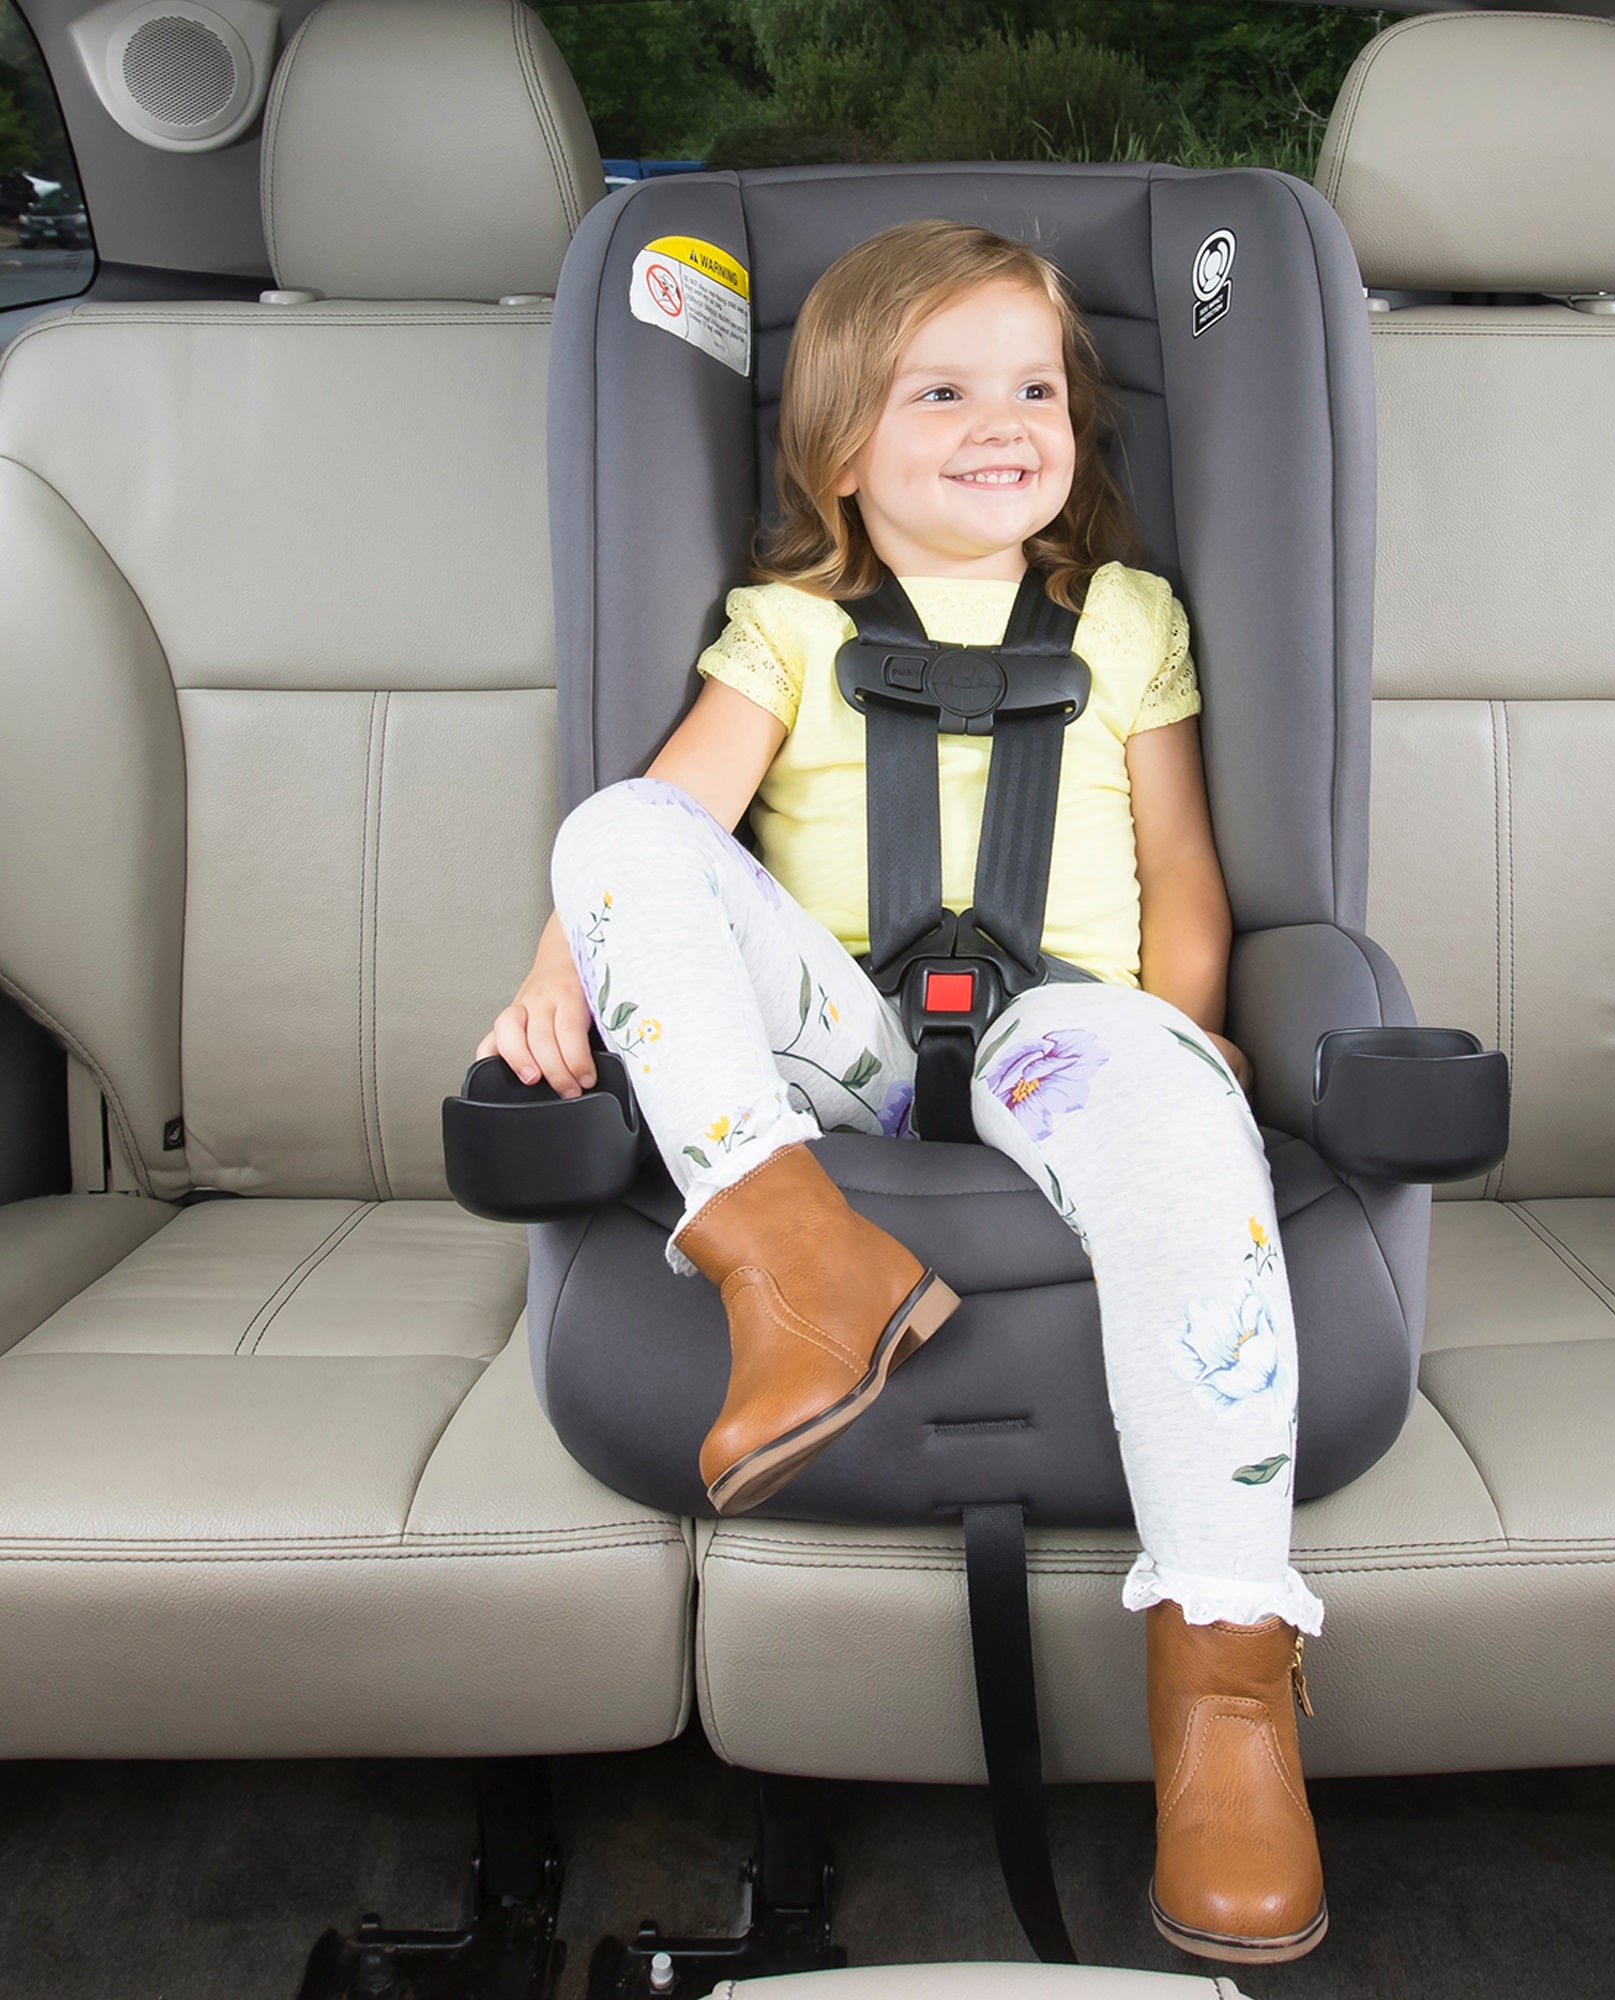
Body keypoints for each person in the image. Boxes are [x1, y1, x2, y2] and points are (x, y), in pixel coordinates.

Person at [482, 217, 1327, 1965]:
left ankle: (1229, 1680)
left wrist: (1187, 1029)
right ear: (843, 447)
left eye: (1036, 388)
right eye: (941, 391)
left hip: (1064, 1028)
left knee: (1173, 1113)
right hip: (837, 1040)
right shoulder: (784, 628)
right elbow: (676, 823)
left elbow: (1181, 863)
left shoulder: (1133, 620)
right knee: (610, 829)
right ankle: (795, 1265)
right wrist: (569, 963)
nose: (1001, 420)